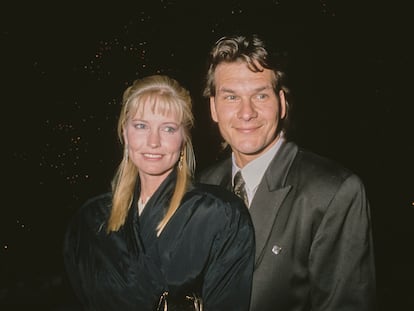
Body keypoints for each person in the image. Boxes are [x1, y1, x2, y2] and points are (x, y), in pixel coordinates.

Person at [197, 34, 376, 311]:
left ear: (281, 102)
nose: (246, 112)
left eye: (260, 95)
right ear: (214, 108)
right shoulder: (202, 185)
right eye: (231, 96)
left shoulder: (333, 191)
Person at [63, 74, 255, 311]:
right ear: (125, 132)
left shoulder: (221, 215)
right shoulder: (90, 220)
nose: (153, 141)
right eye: (141, 126)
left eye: (168, 128)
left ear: (184, 138)